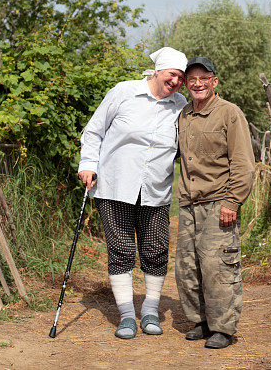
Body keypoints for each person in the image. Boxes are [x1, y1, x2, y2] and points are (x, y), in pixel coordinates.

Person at [78, 47, 188, 339]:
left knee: (155, 249)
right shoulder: (123, 92)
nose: (176, 81)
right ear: (157, 72)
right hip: (115, 185)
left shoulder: (181, 105)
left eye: (180, 77)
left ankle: (150, 310)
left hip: (156, 188)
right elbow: (94, 131)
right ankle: (127, 315)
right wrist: (88, 164)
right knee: (121, 249)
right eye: (172, 74)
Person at [175, 56, 255, 349]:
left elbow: (244, 163)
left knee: (218, 265)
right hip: (188, 203)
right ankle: (201, 321)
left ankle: (223, 327)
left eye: (203, 78)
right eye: (192, 79)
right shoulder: (183, 115)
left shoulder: (229, 114)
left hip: (218, 201)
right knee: (188, 266)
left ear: (214, 82)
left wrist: (232, 202)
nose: (197, 84)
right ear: (186, 83)